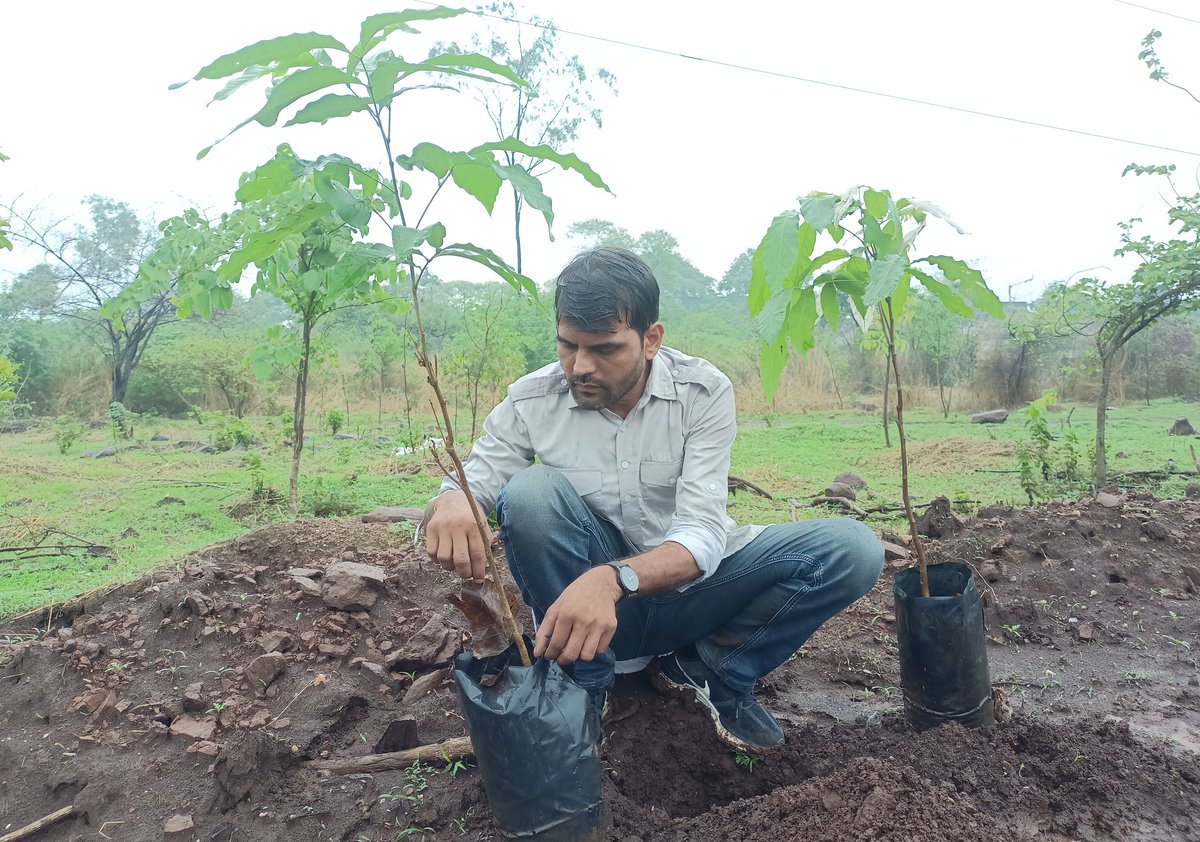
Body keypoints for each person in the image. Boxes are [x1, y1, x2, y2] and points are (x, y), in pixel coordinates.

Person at [425, 247, 883, 750]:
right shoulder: (534, 399)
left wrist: (614, 578)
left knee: (851, 548)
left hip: (691, 599)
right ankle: (582, 690)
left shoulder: (702, 393)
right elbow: (481, 475)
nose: (580, 366)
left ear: (651, 340)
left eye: (604, 349)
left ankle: (710, 672)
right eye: (567, 345)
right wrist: (452, 499)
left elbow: (703, 534)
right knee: (531, 492)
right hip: (588, 621)